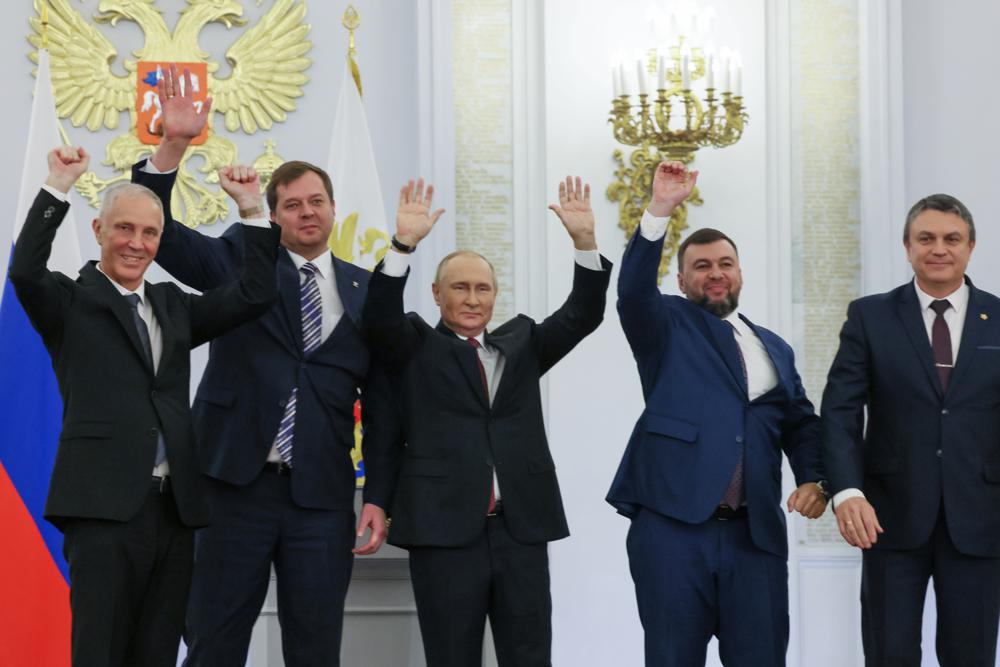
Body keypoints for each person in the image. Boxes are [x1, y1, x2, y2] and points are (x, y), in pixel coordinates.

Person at [130, 65, 397, 666]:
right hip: (232, 488)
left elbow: (381, 403)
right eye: (292, 205)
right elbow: (165, 237)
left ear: (333, 208)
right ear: (273, 216)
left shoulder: (366, 291)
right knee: (214, 641)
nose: (306, 212)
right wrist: (172, 146)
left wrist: (378, 494)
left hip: (323, 499)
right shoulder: (239, 262)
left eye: (316, 202)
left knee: (314, 645)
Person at [8, 145, 279, 667]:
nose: (137, 243)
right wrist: (56, 185)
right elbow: (24, 272)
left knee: (156, 651)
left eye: (149, 233)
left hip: (173, 511)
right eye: (125, 229)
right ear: (99, 232)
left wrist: (251, 209)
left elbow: (254, 295)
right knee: (100, 649)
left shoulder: (173, 306)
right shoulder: (69, 301)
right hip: (102, 507)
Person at [360, 175, 611, 666]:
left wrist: (584, 243)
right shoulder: (414, 345)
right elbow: (379, 316)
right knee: (452, 656)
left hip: (521, 530)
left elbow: (583, 314)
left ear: (495, 296)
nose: (473, 299)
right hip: (444, 530)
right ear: (436, 294)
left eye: (483, 289)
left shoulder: (522, 345)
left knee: (530, 655)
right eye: (460, 288)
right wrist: (403, 245)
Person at [607, 161, 829, 666]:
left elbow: (800, 423)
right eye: (701, 266)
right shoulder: (665, 326)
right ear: (682, 279)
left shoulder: (775, 347)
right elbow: (633, 292)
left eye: (725, 263)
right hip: (673, 531)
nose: (715, 273)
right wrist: (660, 208)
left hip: (756, 536)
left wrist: (817, 478)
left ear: (740, 272)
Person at [822, 193, 1000, 666]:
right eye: (926, 238)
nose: (939, 248)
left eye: (951, 238)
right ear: (907, 246)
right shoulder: (870, 316)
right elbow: (840, 410)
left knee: (972, 657)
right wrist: (846, 492)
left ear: (971, 246)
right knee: (890, 654)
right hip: (889, 520)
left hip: (981, 521)